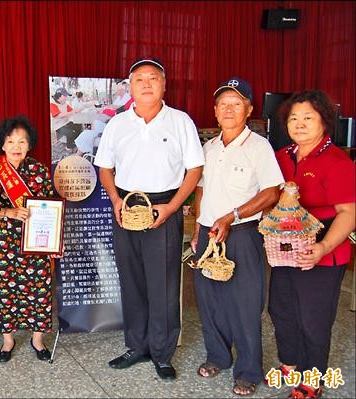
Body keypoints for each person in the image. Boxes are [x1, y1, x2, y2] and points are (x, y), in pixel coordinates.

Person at [93, 56, 204, 381]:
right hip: (126, 207)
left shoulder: (180, 121)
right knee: (132, 281)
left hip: (164, 208)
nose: (145, 83)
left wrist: (172, 208)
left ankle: (161, 352)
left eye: (152, 78)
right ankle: (137, 346)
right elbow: (105, 168)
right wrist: (114, 200)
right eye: (139, 78)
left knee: (164, 283)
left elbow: (195, 169)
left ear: (164, 85)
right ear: (129, 86)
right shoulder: (118, 123)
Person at [190, 78, 284, 396]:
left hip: (242, 235)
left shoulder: (259, 147)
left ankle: (248, 370)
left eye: (237, 103)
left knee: (244, 305)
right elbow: (200, 191)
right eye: (223, 103)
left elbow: (272, 191)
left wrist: (233, 216)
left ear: (249, 109)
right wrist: (198, 231)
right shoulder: (209, 147)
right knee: (210, 301)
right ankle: (218, 356)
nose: (229, 108)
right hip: (208, 236)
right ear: (215, 112)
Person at [268, 90, 355, 399]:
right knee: (281, 309)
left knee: (313, 318)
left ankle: (312, 378)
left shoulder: (336, 161)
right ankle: (290, 365)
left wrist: (323, 247)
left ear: (324, 121)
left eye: (308, 118)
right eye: (293, 118)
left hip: (323, 248)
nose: (299, 124)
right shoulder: (281, 156)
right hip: (285, 248)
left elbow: (348, 214)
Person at [0, 115, 55, 363]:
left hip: (35, 242)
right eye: (10, 141)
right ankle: (8, 340)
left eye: (21, 142)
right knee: (4, 291)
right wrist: (7, 212)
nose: (16, 147)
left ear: (29, 145)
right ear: (1, 144)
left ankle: (37, 339)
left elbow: (50, 207)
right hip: (1, 243)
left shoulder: (39, 170)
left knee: (39, 289)